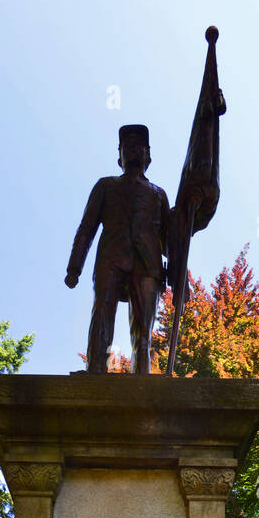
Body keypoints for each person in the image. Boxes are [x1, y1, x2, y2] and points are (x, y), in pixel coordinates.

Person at [65, 125, 170, 375]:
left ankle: (141, 377)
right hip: (110, 259)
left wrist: (179, 281)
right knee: (102, 312)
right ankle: (95, 370)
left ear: (149, 157)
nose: (134, 149)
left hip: (148, 265)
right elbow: (86, 228)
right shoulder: (105, 185)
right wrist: (74, 267)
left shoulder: (159, 195)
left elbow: (170, 242)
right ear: (119, 158)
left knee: (144, 329)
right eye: (127, 146)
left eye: (140, 146)